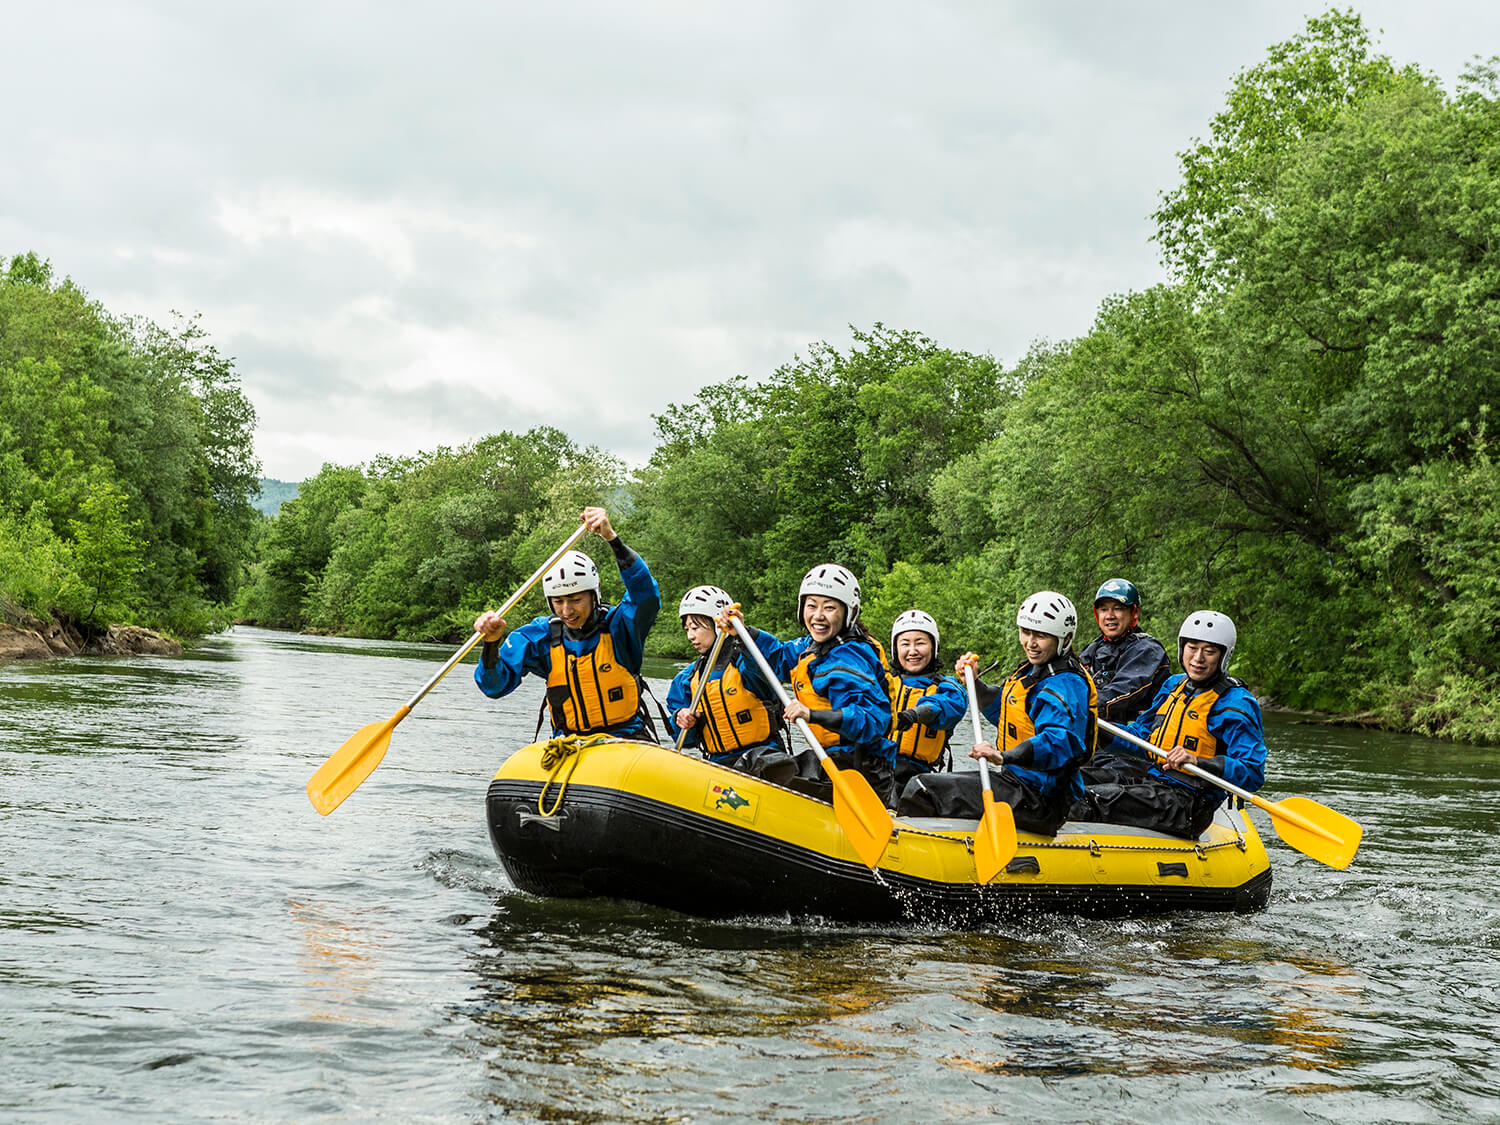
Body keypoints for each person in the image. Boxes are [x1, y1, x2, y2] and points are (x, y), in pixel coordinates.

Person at [897, 591, 1096, 836]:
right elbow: (1005, 713)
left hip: (1040, 799)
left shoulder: (1065, 684)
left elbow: (1058, 741)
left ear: (1063, 639)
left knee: (922, 787)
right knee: (929, 786)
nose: (1030, 643)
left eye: (1041, 636)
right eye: (1026, 632)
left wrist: (1003, 756)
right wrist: (974, 682)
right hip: (1020, 785)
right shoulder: (1035, 673)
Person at [1071, 610, 1267, 840]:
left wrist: (1198, 761)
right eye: (1192, 648)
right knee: (1067, 779)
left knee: (1089, 799)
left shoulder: (1237, 703)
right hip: (1151, 781)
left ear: (1223, 656)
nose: (1198, 658)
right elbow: (1143, 738)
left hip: (1189, 803)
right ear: (1182, 648)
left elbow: (1253, 773)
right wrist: (1098, 731)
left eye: (1209, 651)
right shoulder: (1173, 686)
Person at [473, 507, 661, 741]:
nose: (567, 611)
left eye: (575, 600)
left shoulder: (620, 626)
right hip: (569, 744)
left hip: (626, 740)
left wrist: (612, 539)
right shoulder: (540, 636)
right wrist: (491, 644)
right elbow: (495, 686)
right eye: (558, 601)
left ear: (595, 593)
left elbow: (645, 594)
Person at [721, 564, 898, 808]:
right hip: (834, 762)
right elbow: (777, 658)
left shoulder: (849, 656)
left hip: (860, 771)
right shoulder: (812, 647)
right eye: (811, 605)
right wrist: (743, 632)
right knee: (763, 763)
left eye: (829, 607)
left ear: (849, 612)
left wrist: (811, 714)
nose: (818, 615)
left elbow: (872, 719)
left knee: (760, 763)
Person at [666, 585, 794, 782]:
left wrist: (744, 633)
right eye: (687, 629)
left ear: (717, 624)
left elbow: (770, 661)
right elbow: (685, 740)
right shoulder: (686, 679)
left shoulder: (748, 662)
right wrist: (681, 719)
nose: (690, 636)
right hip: (719, 765)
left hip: (765, 760)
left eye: (696, 627)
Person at [1077, 578, 1171, 784]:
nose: (1109, 616)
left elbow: (1120, 693)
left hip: (1134, 749)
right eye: (1103, 610)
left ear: (1133, 613)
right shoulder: (1091, 650)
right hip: (1096, 742)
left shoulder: (1148, 650)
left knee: (1087, 780)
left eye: (1117, 609)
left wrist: (1079, 709)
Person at [885, 609, 967, 792]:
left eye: (920, 643)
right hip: (876, 767)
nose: (912, 651)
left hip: (916, 775)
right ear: (895, 648)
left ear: (933, 647)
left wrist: (914, 715)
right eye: (905, 644)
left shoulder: (947, 687)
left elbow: (948, 705)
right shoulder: (881, 683)